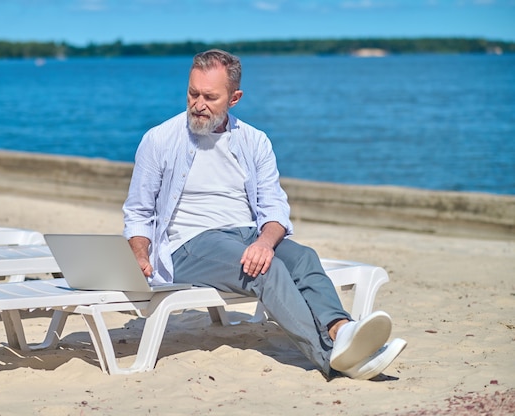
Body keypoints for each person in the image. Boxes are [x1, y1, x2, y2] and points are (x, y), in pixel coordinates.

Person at [123, 49, 406, 380]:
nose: (198, 104)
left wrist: (265, 242)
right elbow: (138, 211)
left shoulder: (255, 142)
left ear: (235, 98)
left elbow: (274, 208)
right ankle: (331, 359)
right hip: (189, 243)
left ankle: (341, 330)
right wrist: (140, 255)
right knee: (265, 271)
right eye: (193, 93)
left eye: (210, 97)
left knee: (303, 259)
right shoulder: (159, 140)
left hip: (245, 233)